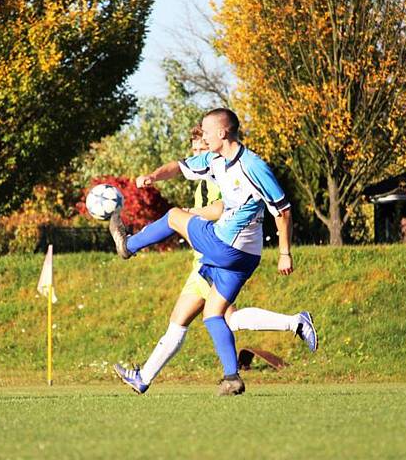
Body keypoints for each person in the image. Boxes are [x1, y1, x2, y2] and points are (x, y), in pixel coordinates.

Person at [113, 125, 317, 395]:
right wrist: (153, 176)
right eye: (197, 146)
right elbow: (178, 166)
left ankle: (128, 246)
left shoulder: (249, 167)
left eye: (205, 138)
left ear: (221, 133)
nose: (200, 147)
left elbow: (281, 209)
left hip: (223, 248)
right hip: (232, 258)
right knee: (213, 316)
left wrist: (284, 252)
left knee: (174, 216)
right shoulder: (213, 162)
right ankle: (232, 376)